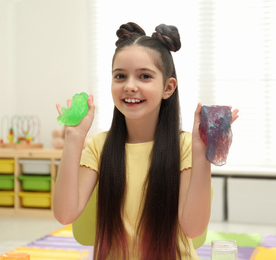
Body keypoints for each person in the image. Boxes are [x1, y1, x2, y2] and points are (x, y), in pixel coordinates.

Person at [53, 22, 239, 260]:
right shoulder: (100, 146)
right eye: (120, 76)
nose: (130, 86)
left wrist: (203, 152)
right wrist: (74, 137)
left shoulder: (183, 146)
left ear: (168, 87)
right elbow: (65, 214)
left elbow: (193, 229)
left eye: (144, 76)